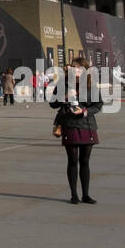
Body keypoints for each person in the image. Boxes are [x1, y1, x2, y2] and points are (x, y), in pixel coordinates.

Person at [51, 58, 102, 204]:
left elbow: (98, 105)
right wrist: (64, 97)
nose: (75, 70)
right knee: (72, 160)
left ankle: (86, 194)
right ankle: (74, 194)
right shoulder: (63, 83)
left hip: (87, 125)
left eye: (79, 68)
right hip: (70, 124)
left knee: (85, 161)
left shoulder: (90, 84)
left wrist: (85, 111)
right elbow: (53, 104)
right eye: (73, 67)